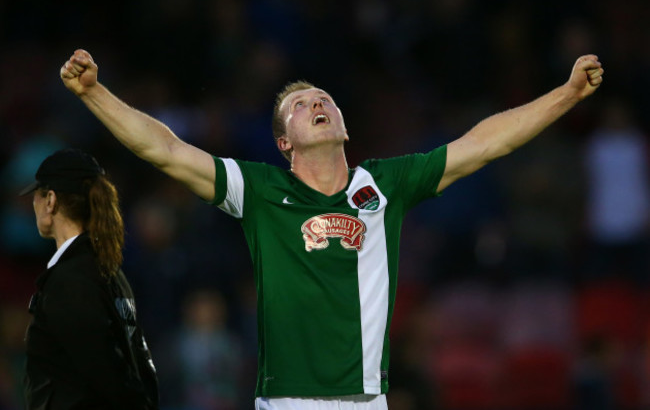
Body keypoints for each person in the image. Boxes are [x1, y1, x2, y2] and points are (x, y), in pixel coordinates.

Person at [60, 49, 603, 410]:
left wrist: (567, 94)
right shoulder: (259, 191)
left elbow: (486, 143)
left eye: (324, 99)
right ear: (284, 143)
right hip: (286, 403)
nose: (316, 103)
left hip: (368, 402)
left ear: (342, 124)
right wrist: (93, 94)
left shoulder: (385, 185)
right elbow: (167, 149)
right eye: (299, 104)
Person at [20, 148, 159, 410]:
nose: (33, 204)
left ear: (51, 200)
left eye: (36, 196)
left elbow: (104, 372)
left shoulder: (71, 280)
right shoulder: (111, 273)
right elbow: (139, 368)